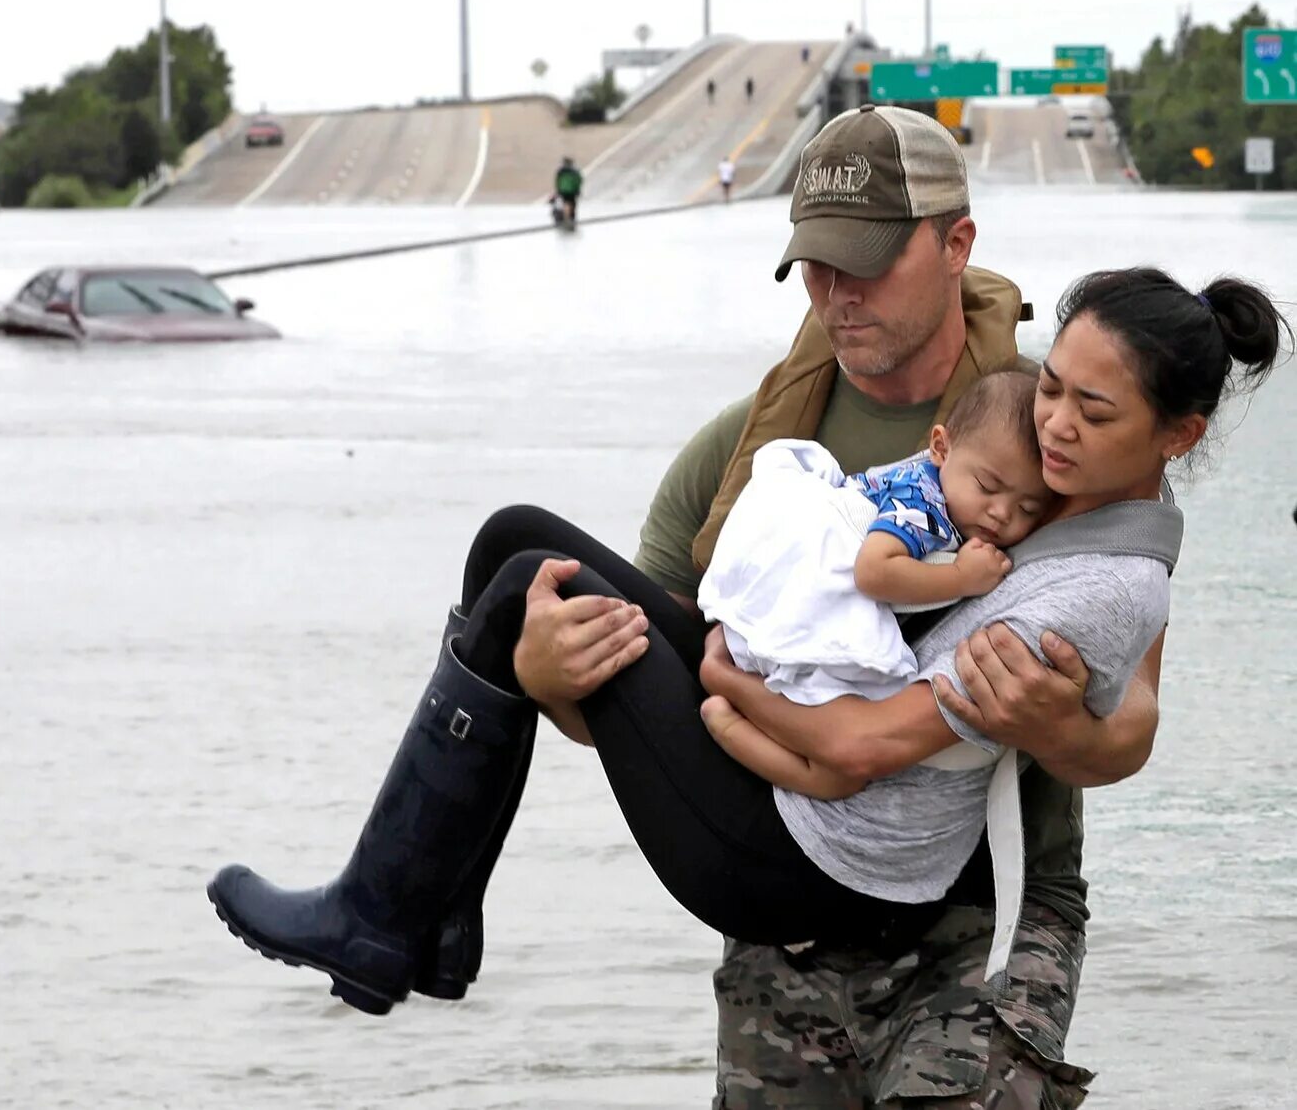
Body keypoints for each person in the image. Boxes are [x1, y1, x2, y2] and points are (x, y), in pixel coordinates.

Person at [203, 106, 1285, 1104]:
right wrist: (538, 677)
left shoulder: (1044, 430)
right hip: (787, 861)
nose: (834, 295)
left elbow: (1131, 685)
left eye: (863, 265)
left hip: (974, 896)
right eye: (812, 267)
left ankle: (391, 915)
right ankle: (402, 916)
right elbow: (638, 704)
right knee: (516, 557)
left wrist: (1069, 731)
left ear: (956, 247)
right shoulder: (751, 450)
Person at [700, 371, 1053, 790]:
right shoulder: (923, 505)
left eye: (1028, 509)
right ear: (941, 447)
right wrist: (960, 577)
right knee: (836, 778)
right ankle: (727, 725)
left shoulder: (939, 489)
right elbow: (874, 572)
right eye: (987, 486)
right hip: (810, 589)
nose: (1001, 513)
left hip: (782, 595)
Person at [553, 157, 582, 227]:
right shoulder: (575, 171)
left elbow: (557, 181)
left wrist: (558, 189)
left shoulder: (560, 171)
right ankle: (571, 217)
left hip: (563, 190)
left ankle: (566, 216)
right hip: (572, 190)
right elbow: (578, 180)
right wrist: (578, 189)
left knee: (565, 202)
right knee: (572, 203)